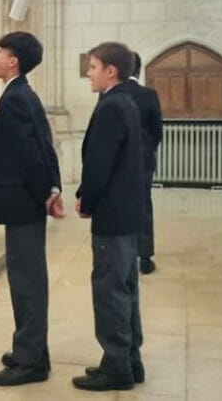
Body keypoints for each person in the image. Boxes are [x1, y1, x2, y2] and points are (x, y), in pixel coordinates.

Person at [0, 32, 63, 387]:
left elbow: (32, 154)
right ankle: (32, 351)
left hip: (22, 204)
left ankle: (30, 360)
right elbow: (45, 144)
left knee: (27, 283)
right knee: (27, 280)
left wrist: (45, 193)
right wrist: (52, 188)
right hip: (26, 202)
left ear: (13, 60)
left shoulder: (17, 98)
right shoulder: (23, 94)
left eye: (1, 52)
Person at [73, 42, 145, 392]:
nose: (89, 72)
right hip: (128, 211)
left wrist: (87, 199)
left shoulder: (112, 106)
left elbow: (99, 164)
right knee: (126, 287)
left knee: (110, 290)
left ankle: (116, 366)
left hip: (113, 213)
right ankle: (131, 359)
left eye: (93, 67)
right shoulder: (127, 102)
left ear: (111, 71)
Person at [116, 51, 162, 274]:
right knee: (143, 205)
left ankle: (122, 254)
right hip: (142, 161)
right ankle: (145, 257)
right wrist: (145, 152)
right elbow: (156, 131)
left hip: (117, 162)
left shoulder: (110, 94)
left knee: (118, 205)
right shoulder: (149, 94)